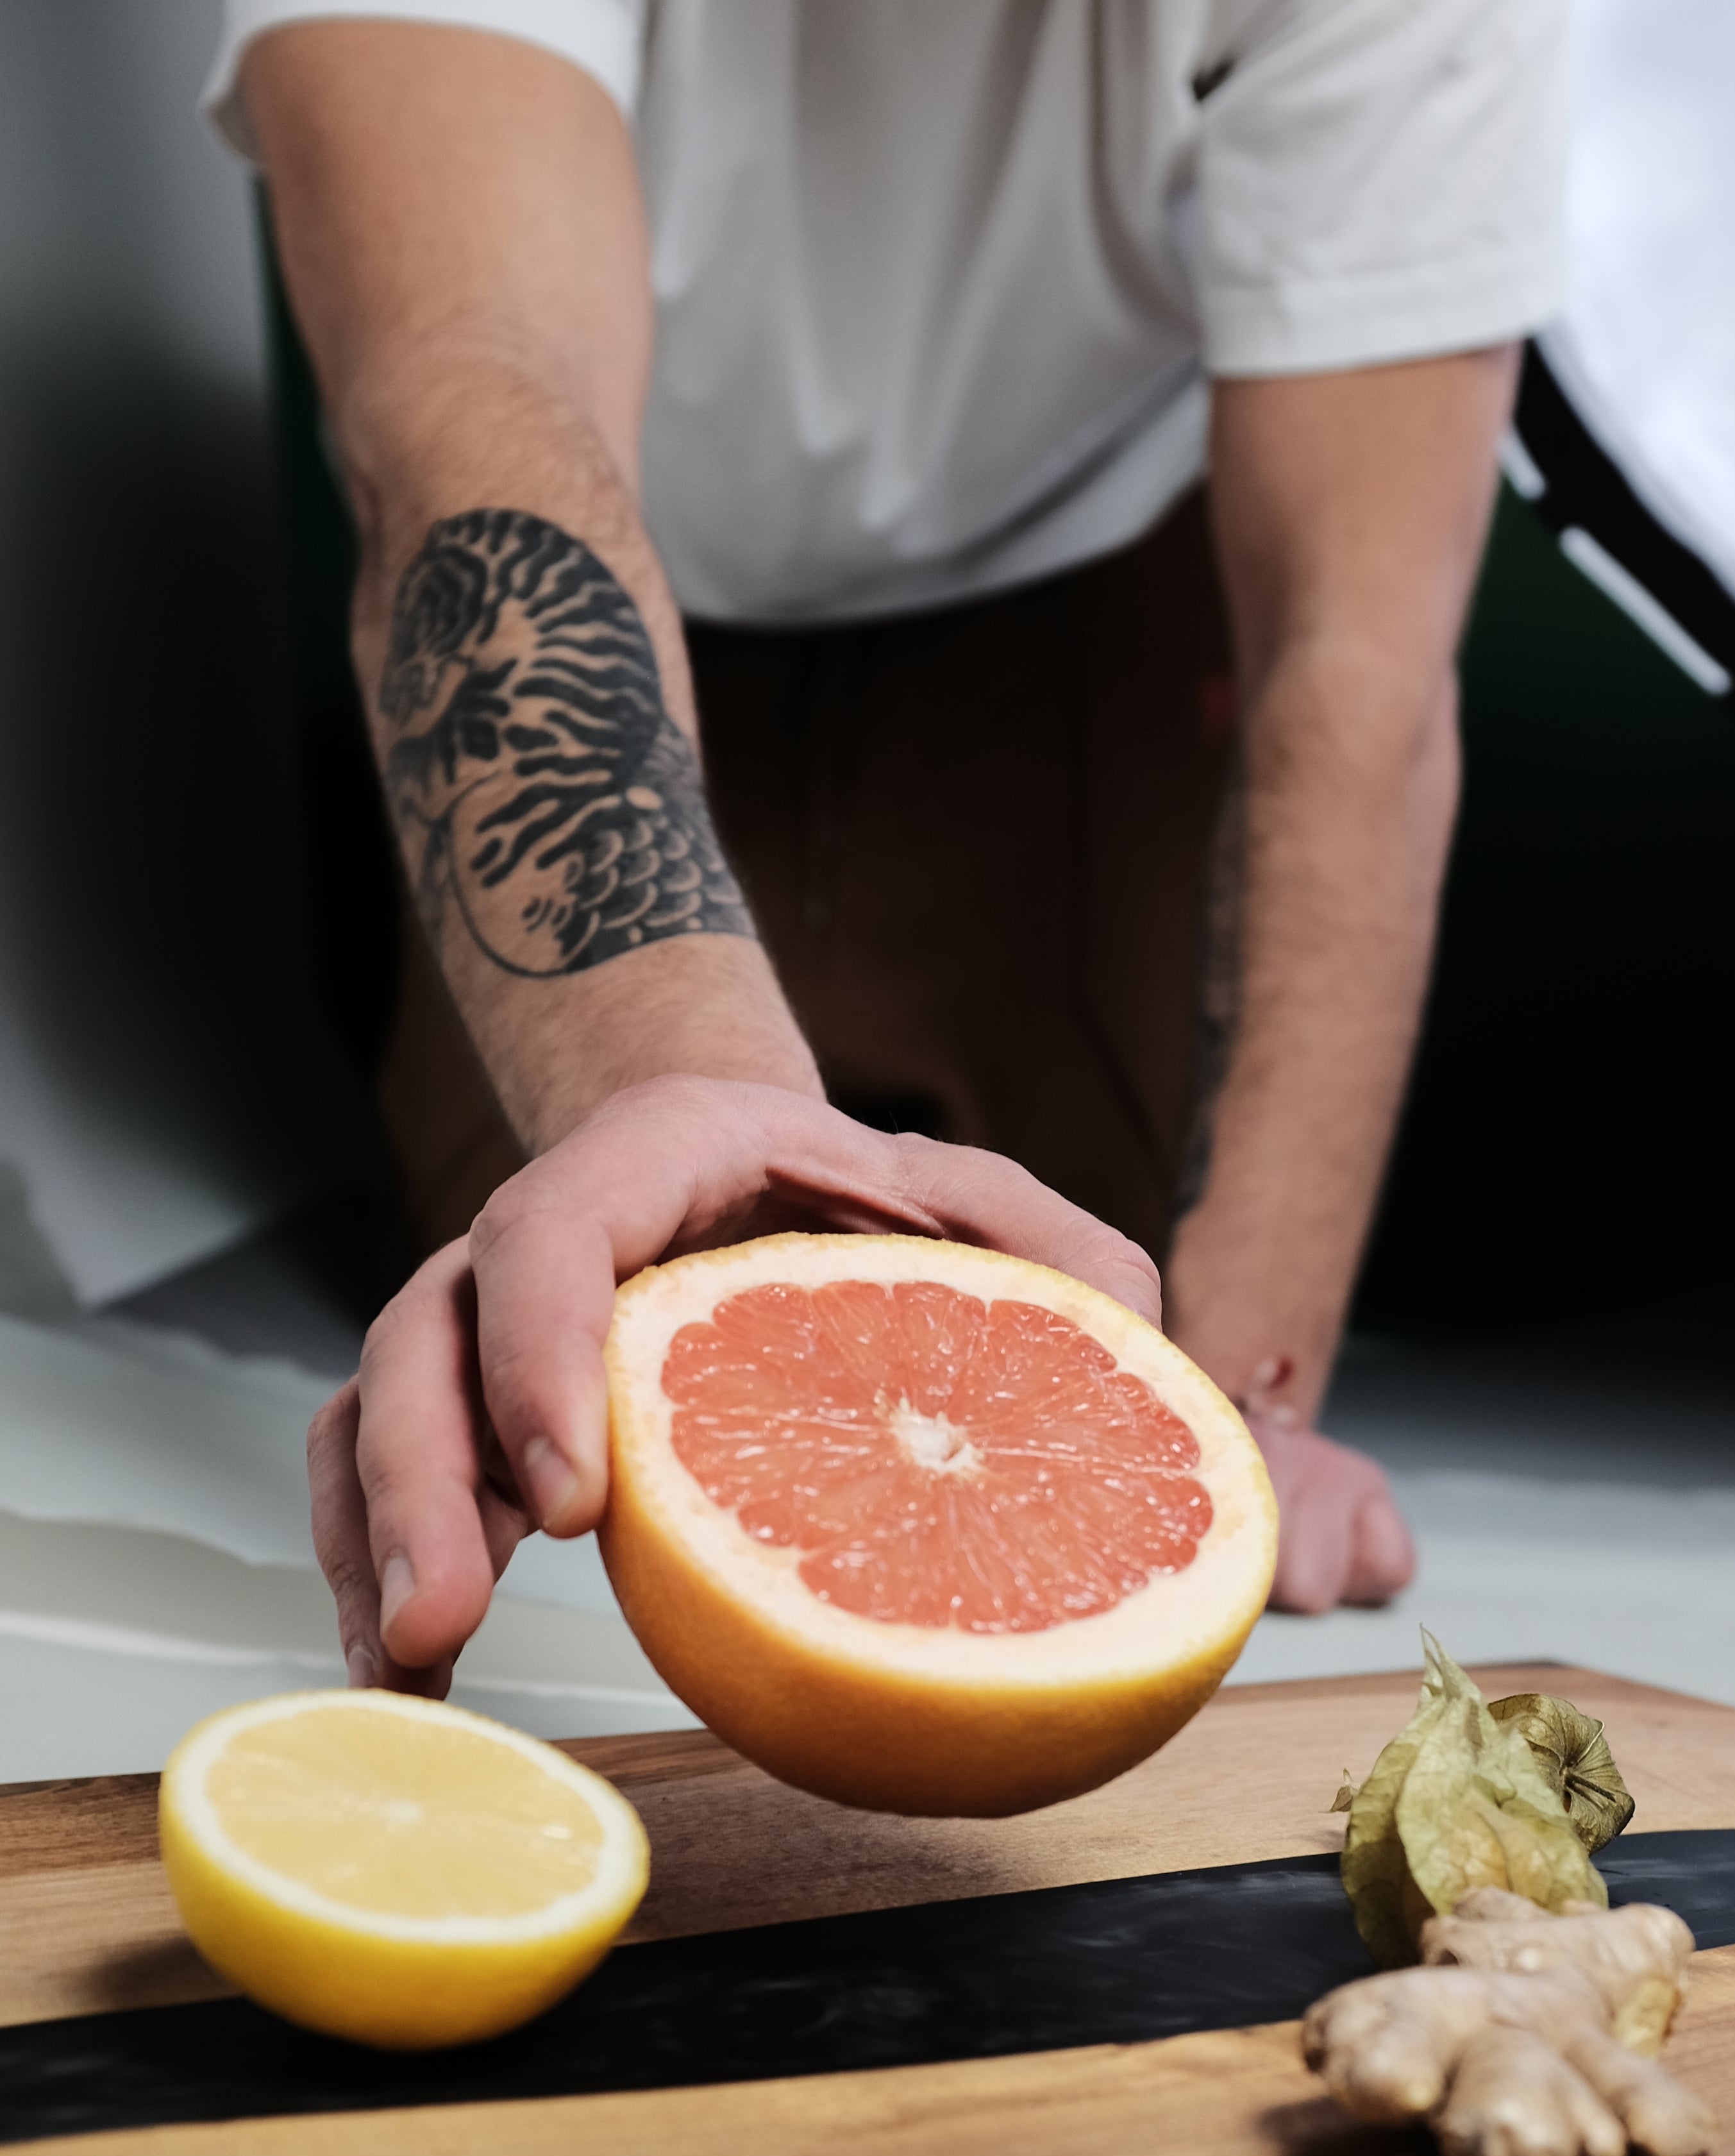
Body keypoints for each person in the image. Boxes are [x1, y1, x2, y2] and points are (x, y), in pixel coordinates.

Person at [208, 2, 1563, 1692]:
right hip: (615, 588)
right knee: (572, 1339)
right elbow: (464, 400)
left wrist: (1247, 1409)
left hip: (1074, 593)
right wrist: (673, 1090)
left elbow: (1351, 661)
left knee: (1070, 1304)